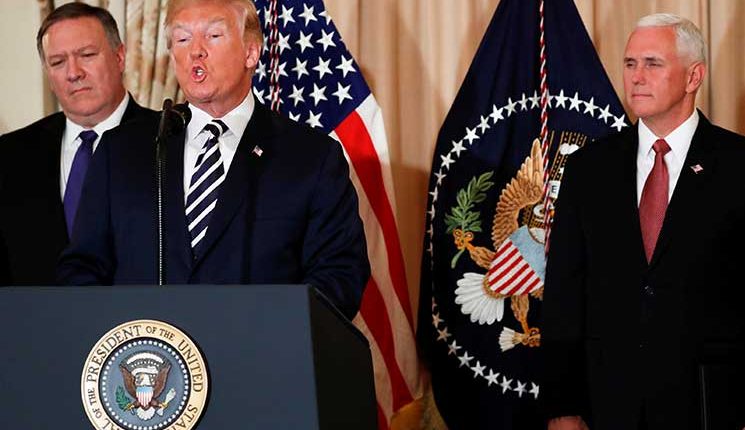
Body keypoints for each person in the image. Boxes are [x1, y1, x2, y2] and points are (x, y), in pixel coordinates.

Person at [57, 0, 369, 320]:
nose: (196, 51)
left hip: (258, 347)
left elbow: (339, 274)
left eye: (213, 35)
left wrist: (272, 329)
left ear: (251, 52)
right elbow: (82, 268)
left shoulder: (311, 157)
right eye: (182, 39)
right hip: (145, 350)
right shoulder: (120, 151)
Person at [542, 13, 745, 430]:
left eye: (653, 64)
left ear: (693, 77)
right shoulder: (588, 169)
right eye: (630, 63)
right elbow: (564, 296)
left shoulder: (738, 165)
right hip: (608, 406)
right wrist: (563, 407)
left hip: (711, 406)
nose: (636, 77)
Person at [0, 3, 153, 286]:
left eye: (87, 55)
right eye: (58, 62)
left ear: (119, 57)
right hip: (33, 314)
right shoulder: (9, 156)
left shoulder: (168, 140)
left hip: (141, 313)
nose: (73, 73)